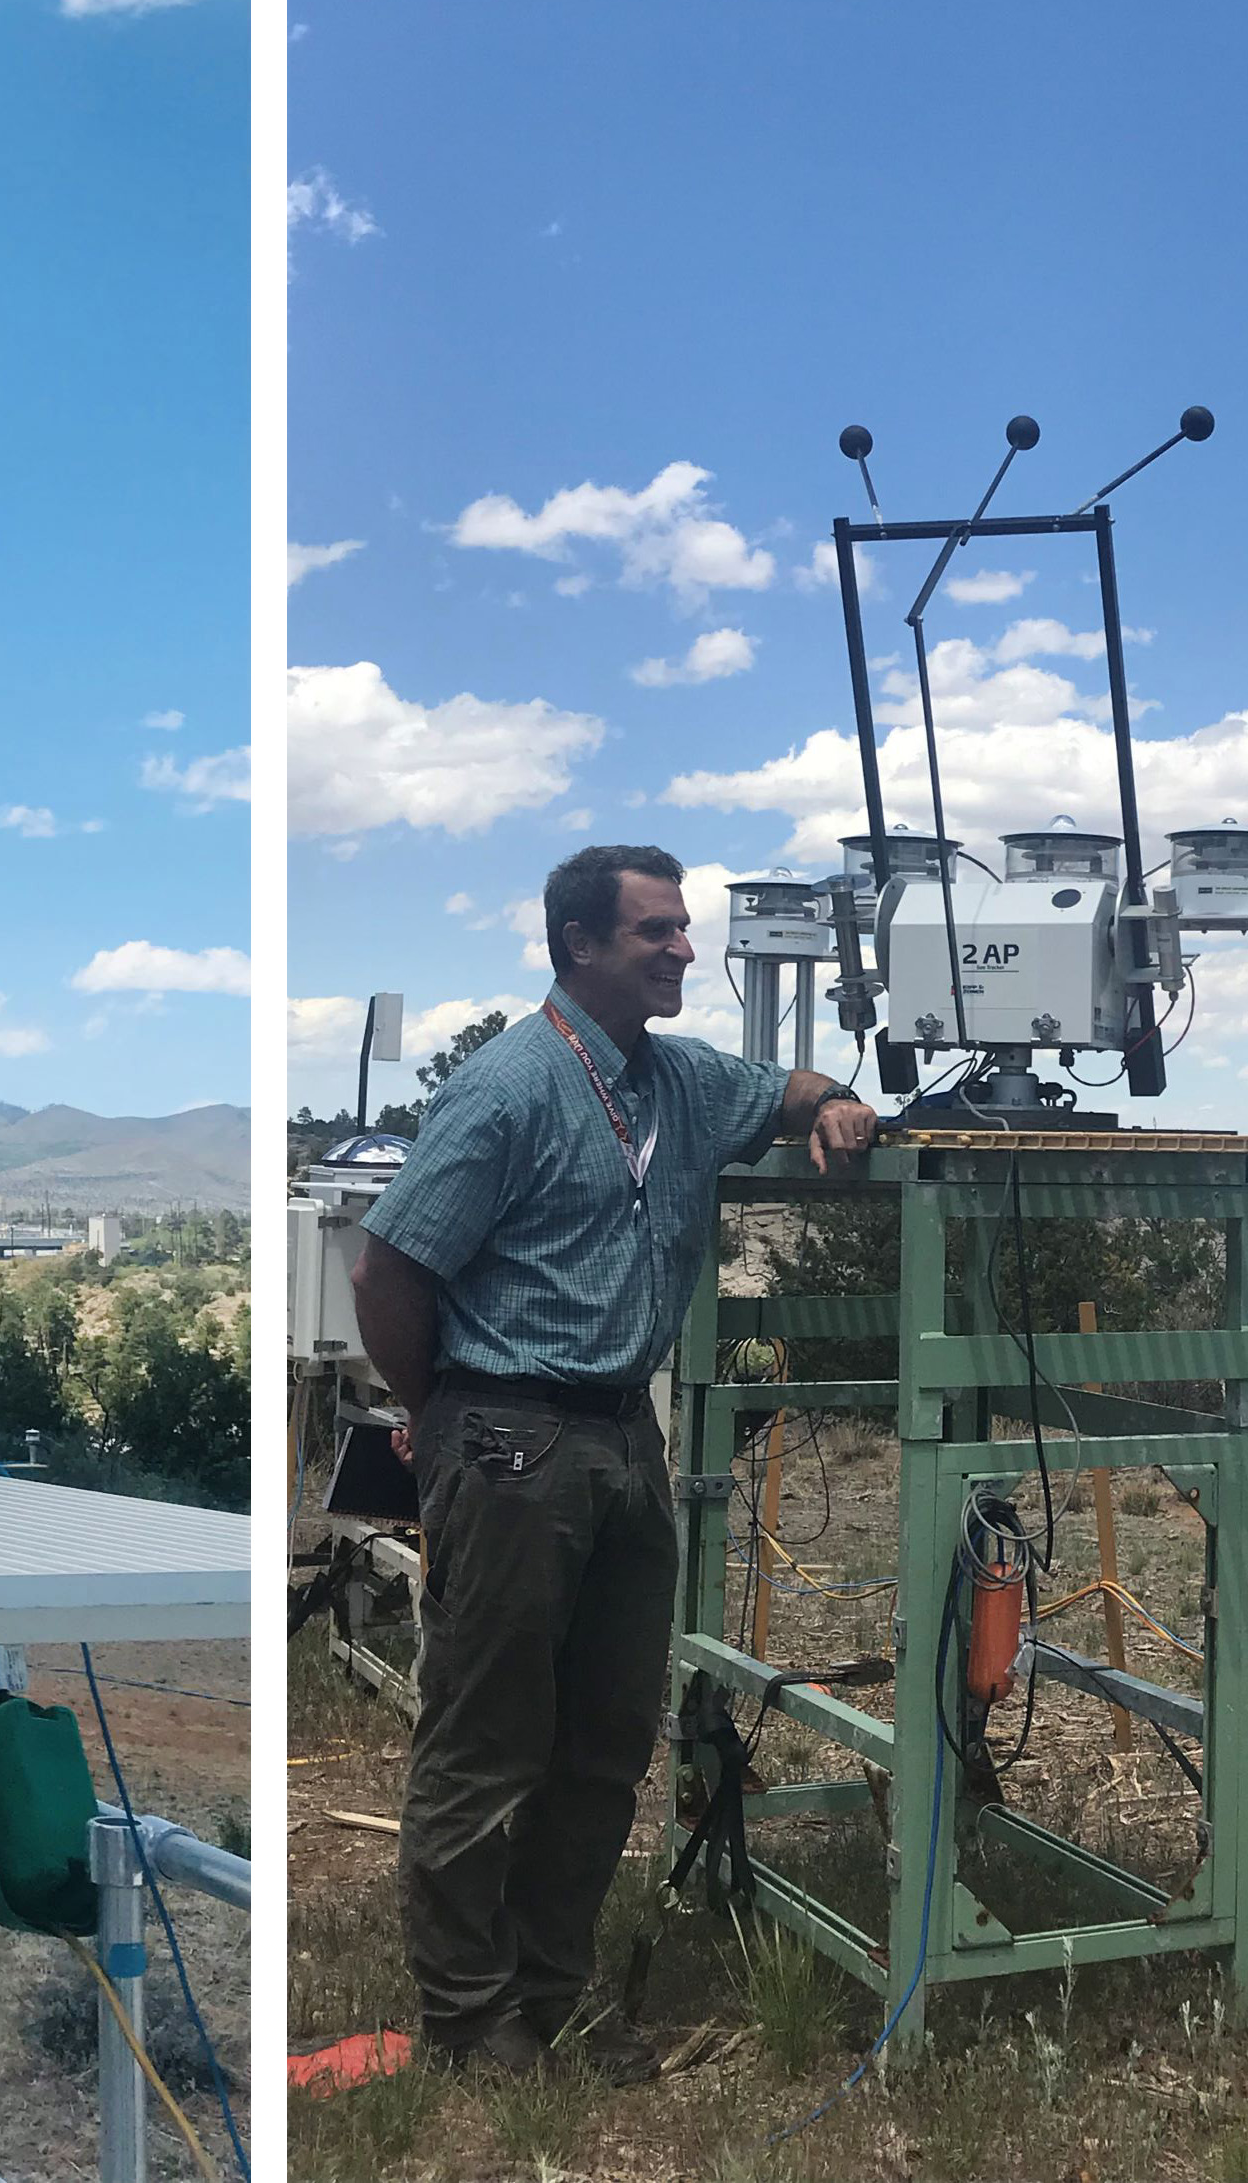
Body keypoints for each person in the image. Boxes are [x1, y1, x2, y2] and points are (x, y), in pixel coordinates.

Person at [347, 843, 879, 2083]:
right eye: (656, 931)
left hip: (622, 1435)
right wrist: (437, 1411)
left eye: (685, 927)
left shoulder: (678, 1081)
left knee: (602, 1736)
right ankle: (470, 2019)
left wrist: (833, 1103)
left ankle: (550, 1992)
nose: (684, 948)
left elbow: (786, 1084)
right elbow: (387, 1270)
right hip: (509, 1429)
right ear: (579, 943)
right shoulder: (508, 1087)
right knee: (486, 1737)